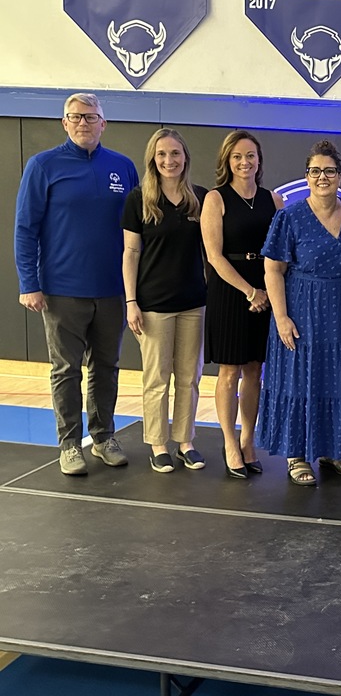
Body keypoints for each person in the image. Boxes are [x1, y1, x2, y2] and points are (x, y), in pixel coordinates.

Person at [15, 93, 138, 475]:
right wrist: (29, 283)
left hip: (112, 291)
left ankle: (102, 437)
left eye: (91, 117)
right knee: (65, 370)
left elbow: (137, 232)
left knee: (106, 367)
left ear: (104, 123)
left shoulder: (123, 167)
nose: (84, 123)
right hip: (61, 291)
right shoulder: (43, 166)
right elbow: (25, 229)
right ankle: (70, 444)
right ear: (64, 123)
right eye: (76, 117)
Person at [255, 140, 341, 486]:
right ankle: (296, 454)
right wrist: (281, 317)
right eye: (315, 171)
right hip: (301, 311)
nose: (322, 177)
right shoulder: (290, 216)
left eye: (329, 171)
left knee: (337, 380)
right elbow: (272, 270)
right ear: (307, 176)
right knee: (300, 381)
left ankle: (333, 449)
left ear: (339, 176)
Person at [122, 129, 208, 473]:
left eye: (175, 153)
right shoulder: (138, 199)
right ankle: (158, 443)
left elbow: (209, 252)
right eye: (162, 154)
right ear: (152, 159)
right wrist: (131, 301)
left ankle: (185, 441)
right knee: (157, 378)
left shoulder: (199, 199)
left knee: (189, 377)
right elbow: (130, 252)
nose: (169, 160)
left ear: (185, 157)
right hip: (153, 305)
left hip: (192, 303)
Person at [201, 131, 282, 479]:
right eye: (237, 156)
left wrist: (268, 292)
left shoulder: (274, 200)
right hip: (231, 292)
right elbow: (214, 257)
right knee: (229, 371)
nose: (244, 162)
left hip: (266, 288)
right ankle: (230, 443)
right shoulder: (216, 199)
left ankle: (249, 441)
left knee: (254, 371)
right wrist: (250, 292)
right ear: (226, 161)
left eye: (250, 155)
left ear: (259, 160)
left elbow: (280, 252)